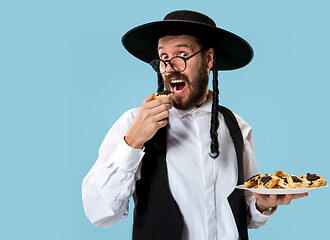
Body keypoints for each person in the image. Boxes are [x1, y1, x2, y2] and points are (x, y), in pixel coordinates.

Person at [82, 10, 308, 240]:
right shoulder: (134, 123)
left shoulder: (237, 127)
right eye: (163, 57)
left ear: (209, 59)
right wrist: (133, 142)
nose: (170, 68)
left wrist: (260, 204)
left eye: (182, 54)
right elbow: (99, 213)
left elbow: (242, 214)